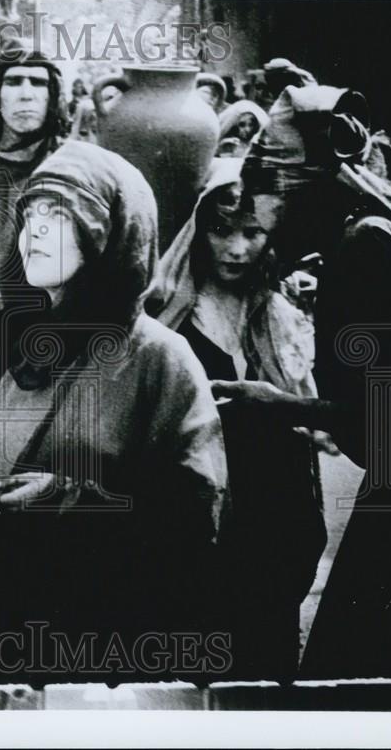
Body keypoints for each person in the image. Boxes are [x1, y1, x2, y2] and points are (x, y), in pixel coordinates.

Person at [0, 141, 227, 680]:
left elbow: (195, 516)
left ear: (113, 234)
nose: (35, 231)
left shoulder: (160, 360)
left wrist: (72, 500)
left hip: (99, 634)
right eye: (30, 213)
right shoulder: (2, 335)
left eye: (59, 216)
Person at [213, 83, 391, 683]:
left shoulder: (363, 244)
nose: (258, 206)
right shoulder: (387, 220)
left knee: (365, 678)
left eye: (265, 185)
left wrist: (278, 404)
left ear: (300, 182)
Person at [144, 157, 326, 681]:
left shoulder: (280, 316)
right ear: (199, 227)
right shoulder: (166, 317)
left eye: (254, 232)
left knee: (266, 674)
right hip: (195, 531)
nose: (237, 248)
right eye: (222, 230)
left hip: (275, 530)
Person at [0, 37, 70, 273]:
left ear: (52, 95)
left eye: (38, 82)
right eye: (14, 81)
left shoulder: (69, 173)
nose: (26, 94)